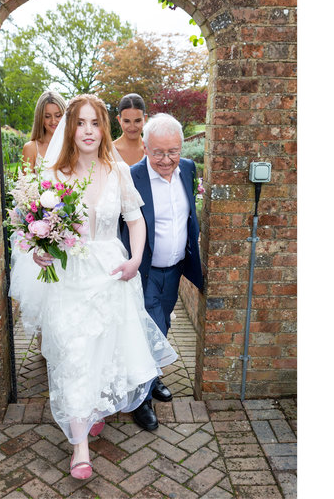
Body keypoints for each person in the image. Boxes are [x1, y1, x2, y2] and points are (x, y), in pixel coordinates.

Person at [9, 94, 177, 480]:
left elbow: (135, 219)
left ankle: (89, 413)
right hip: (69, 279)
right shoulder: (51, 176)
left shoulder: (117, 171)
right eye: (80, 123)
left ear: (104, 128)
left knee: (104, 349)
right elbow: (38, 233)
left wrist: (135, 259)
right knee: (75, 354)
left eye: (95, 123)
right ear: (70, 129)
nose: (88, 130)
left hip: (110, 274)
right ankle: (80, 448)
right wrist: (39, 252)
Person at [120, 113, 204, 431]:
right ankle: (142, 402)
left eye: (173, 151)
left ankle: (152, 379)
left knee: (163, 325)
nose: (166, 159)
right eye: (158, 152)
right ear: (145, 148)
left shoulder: (189, 171)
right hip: (145, 270)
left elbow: (189, 216)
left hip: (176, 268)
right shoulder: (131, 177)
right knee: (148, 328)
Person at [21, 90, 67, 170]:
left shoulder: (73, 145)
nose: (53, 121)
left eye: (58, 115)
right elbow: (25, 182)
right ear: (40, 118)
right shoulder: (31, 148)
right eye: (47, 116)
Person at [112, 93, 147, 166]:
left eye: (137, 121)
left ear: (145, 119)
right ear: (119, 120)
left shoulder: (152, 151)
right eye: (127, 121)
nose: (132, 127)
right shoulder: (107, 152)